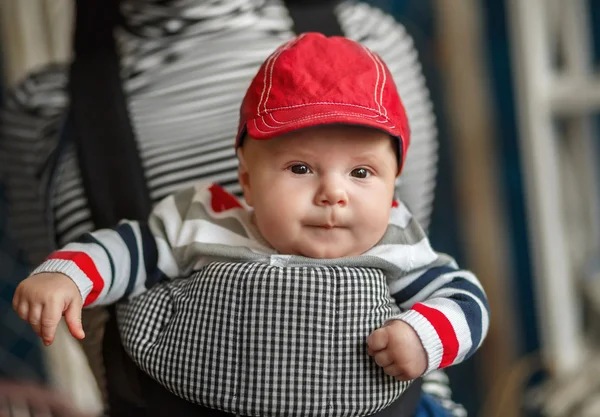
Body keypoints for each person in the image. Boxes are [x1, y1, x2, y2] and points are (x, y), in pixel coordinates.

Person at [13, 34, 489, 417]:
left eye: (361, 173)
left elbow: (465, 299)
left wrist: (424, 336)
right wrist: (69, 274)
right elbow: (129, 248)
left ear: (393, 187)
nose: (333, 193)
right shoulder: (206, 219)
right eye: (300, 168)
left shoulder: (396, 238)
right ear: (247, 178)